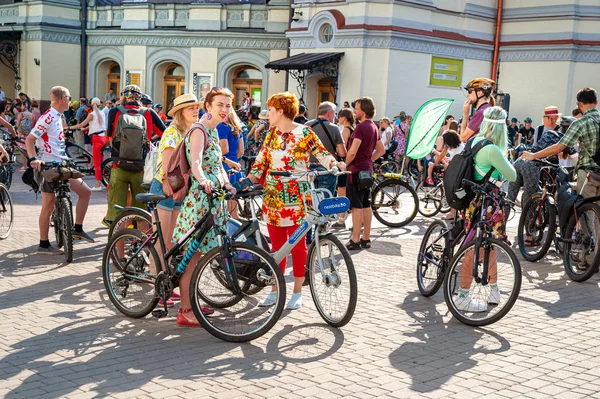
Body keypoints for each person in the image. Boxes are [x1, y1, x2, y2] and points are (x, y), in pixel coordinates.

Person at [246, 92, 344, 310]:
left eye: (270, 110)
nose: (267, 114)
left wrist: (336, 165)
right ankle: (275, 290)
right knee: (278, 246)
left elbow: (322, 153)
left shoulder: (305, 133)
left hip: (299, 197)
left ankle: (297, 292)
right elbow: (260, 163)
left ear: (281, 111)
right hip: (273, 198)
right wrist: (246, 181)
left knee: (299, 246)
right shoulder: (271, 135)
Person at [171, 88, 237, 326]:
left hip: (214, 200)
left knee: (200, 258)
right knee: (192, 258)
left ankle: (191, 302)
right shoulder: (198, 131)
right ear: (207, 106)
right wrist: (203, 180)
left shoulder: (213, 129)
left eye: (228, 106)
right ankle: (185, 310)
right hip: (200, 201)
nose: (225, 110)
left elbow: (217, 165)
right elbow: (196, 162)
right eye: (220, 104)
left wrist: (228, 184)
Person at [457, 106, 517, 312]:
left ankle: (493, 289)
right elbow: (512, 176)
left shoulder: (474, 141)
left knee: (489, 247)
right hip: (488, 204)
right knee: (476, 249)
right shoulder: (492, 149)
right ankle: (463, 295)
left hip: (474, 201)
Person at [147, 93, 201, 309]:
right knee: (162, 242)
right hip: (165, 188)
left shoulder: (192, 132)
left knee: (173, 243)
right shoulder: (172, 132)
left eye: (197, 108)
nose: (196, 111)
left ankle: (168, 284)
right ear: (180, 113)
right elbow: (170, 166)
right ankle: (158, 288)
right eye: (191, 108)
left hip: (181, 190)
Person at [26, 86, 94, 254]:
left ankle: (77, 228)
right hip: (48, 166)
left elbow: (56, 138)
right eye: (69, 98)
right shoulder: (48, 117)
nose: (71, 101)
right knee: (48, 205)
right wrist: (34, 159)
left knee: (85, 192)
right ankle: (43, 244)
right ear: (63, 98)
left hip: (62, 163)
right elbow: (29, 139)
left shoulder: (59, 116)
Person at [104, 84, 166, 226]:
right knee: (141, 211)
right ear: (140, 97)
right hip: (141, 167)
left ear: (124, 96)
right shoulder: (149, 113)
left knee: (117, 211)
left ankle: (117, 244)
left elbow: (109, 137)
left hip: (118, 165)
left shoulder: (115, 111)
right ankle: (140, 243)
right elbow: (165, 134)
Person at [522, 87, 600, 198]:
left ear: (579, 104)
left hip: (588, 174)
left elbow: (558, 147)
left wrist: (533, 155)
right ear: (596, 102)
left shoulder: (580, 123)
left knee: (586, 212)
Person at [345, 97, 385, 251]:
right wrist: (369, 159)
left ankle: (355, 239)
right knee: (366, 204)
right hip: (367, 171)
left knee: (356, 206)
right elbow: (381, 150)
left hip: (356, 171)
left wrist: (345, 164)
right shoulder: (374, 127)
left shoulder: (360, 128)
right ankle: (366, 238)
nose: (354, 111)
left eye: (356, 108)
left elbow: (352, 151)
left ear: (363, 111)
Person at [68, 97, 108, 191]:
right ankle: (103, 179)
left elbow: (81, 124)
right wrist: (85, 129)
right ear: (99, 105)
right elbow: (95, 125)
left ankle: (98, 185)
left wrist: (69, 127)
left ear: (91, 104)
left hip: (96, 139)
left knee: (96, 164)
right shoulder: (101, 113)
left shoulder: (92, 114)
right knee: (101, 162)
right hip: (103, 138)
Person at [218, 108, 244, 218]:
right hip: (235, 167)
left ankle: (233, 233)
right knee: (234, 207)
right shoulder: (237, 128)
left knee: (227, 209)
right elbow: (241, 151)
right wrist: (233, 160)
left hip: (225, 168)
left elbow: (224, 150)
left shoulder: (221, 127)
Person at [334, 108, 355, 228]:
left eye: (340, 116)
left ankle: (341, 219)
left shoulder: (345, 130)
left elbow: (342, 149)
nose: (338, 119)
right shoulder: (353, 129)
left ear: (344, 118)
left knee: (342, 192)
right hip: (352, 163)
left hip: (344, 162)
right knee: (348, 192)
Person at [459, 78, 496, 142]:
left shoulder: (481, 113)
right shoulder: (488, 108)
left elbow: (462, 138)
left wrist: (465, 115)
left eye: (470, 91)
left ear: (480, 93)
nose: (468, 95)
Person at [16, 101, 34, 171]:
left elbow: (17, 125)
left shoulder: (21, 114)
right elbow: (32, 125)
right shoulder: (31, 114)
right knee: (29, 150)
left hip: (21, 135)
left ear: (23, 106)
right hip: (29, 134)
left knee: (22, 151)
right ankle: (31, 165)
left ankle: (24, 166)